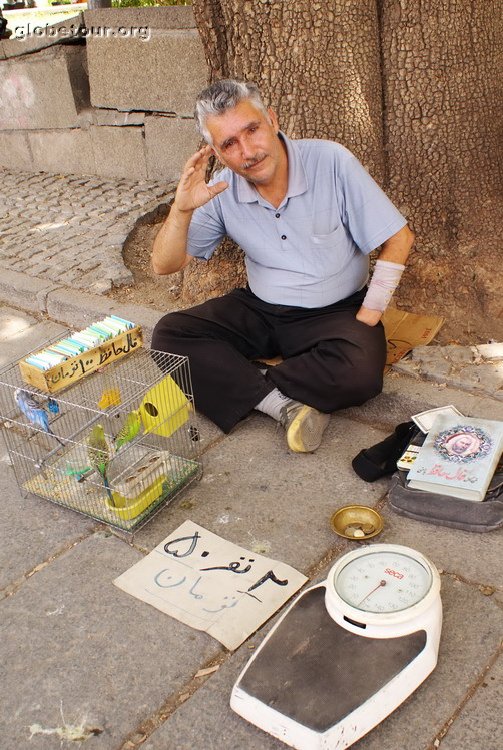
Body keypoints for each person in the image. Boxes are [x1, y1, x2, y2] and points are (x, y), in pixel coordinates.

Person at [151, 79, 414, 453]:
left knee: (361, 375)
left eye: (252, 130)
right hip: (261, 308)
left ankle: (235, 382)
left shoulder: (330, 160)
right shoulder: (222, 187)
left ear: (272, 120)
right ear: (216, 153)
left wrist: (370, 313)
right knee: (169, 336)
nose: (248, 151)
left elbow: (399, 237)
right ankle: (280, 405)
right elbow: (165, 265)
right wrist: (181, 209)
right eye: (229, 144)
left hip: (334, 311)